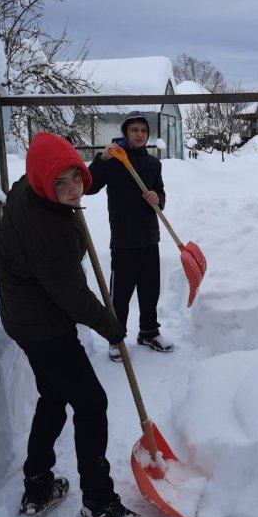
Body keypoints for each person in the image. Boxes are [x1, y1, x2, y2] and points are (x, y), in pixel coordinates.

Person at [0, 132, 150, 517]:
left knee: (54, 395)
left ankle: (38, 485)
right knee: (91, 402)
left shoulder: (28, 188)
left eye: (74, 178)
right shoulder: (50, 231)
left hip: (25, 317)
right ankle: (97, 504)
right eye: (59, 183)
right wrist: (111, 326)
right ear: (42, 181)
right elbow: (73, 295)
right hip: (44, 325)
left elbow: (61, 283)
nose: (70, 190)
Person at [87, 111, 173, 363]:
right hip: (124, 240)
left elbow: (161, 194)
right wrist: (101, 159)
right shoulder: (113, 161)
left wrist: (158, 198)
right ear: (126, 132)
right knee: (121, 295)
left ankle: (148, 332)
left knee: (149, 291)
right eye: (134, 130)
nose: (140, 134)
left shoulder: (153, 164)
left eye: (144, 131)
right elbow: (90, 186)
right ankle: (116, 338)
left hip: (149, 238)